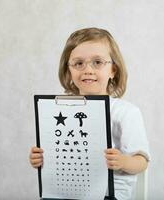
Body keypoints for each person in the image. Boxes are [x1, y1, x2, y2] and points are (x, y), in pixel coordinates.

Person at [29, 27, 150, 200]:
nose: (88, 70)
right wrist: (41, 158)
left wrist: (123, 161)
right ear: (69, 70)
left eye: (98, 62)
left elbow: (142, 161)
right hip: (65, 192)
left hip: (109, 195)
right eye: (79, 63)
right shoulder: (61, 111)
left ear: (113, 70)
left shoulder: (125, 112)